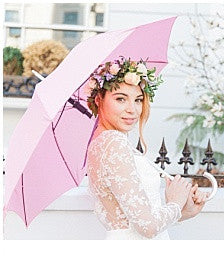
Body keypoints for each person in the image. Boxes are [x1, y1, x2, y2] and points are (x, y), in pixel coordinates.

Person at [84, 56, 207, 239]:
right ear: (99, 100)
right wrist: (175, 202)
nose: (132, 109)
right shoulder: (114, 143)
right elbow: (147, 227)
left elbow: (138, 217)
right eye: (120, 99)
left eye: (138, 100)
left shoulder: (102, 143)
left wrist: (184, 210)